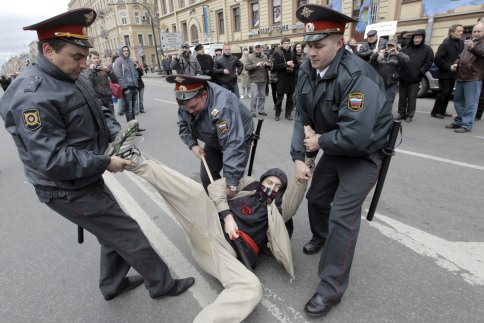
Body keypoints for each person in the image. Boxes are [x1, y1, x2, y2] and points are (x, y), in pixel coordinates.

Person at [0, 8, 194, 302]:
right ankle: (162, 285)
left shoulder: (70, 75)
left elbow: (99, 109)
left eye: (85, 55)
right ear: (48, 50)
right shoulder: (32, 95)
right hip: (64, 187)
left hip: (83, 177)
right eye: (77, 56)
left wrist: (115, 136)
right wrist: (106, 161)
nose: (83, 63)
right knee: (126, 231)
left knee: (111, 231)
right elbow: (51, 160)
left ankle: (112, 285)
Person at [292, 4, 393, 318]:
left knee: (343, 219)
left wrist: (319, 141)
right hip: (335, 148)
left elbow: (357, 136)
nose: (311, 52)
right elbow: (301, 115)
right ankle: (321, 237)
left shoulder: (357, 76)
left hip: (363, 154)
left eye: (319, 45)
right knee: (318, 198)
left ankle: (330, 289)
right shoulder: (308, 70)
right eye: (308, 45)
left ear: (340, 41)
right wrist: (300, 157)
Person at [166, 75, 254, 193]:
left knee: (233, 183)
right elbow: (183, 124)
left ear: (204, 95)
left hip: (238, 137)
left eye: (193, 107)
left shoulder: (223, 106)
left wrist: (231, 184)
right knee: (207, 176)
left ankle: (232, 207)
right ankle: (216, 204)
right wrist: (192, 144)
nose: (190, 111)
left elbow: (233, 145)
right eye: (186, 108)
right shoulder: (186, 101)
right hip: (213, 137)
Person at [445, 23, 484, 133]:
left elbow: (481, 54)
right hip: (462, 75)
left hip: (474, 77)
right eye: (474, 31)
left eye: (479, 31)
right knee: (458, 101)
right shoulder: (471, 41)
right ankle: (459, 121)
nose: (476, 33)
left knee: (470, 103)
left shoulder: (478, 44)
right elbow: (460, 56)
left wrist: (472, 47)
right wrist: (456, 63)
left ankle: (466, 125)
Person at [396, 29, 434, 122]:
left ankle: (410, 115)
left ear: (423, 38)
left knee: (412, 98)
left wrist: (419, 72)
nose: (417, 40)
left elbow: (428, 63)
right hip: (403, 76)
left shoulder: (427, 49)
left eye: (419, 38)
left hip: (415, 78)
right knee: (402, 98)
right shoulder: (406, 48)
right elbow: (400, 59)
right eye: (415, 38)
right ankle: (401, 114)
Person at [430, 25, 464, 119]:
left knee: (448, 93)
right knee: (443, 92)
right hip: (445, 72)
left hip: (454, 73)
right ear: (452, 32)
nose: (461, 32)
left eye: (462, 31)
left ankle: (442, 111)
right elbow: (437, 59)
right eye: (459, 31)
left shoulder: (461, 43)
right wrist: (449, 66)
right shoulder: (445, 43)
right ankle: (435, 111)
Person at [370, 40, 410, 107]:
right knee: (378, 102)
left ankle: (386, 116)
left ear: (396, 46)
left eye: (392, 46)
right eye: (389, 46)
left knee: (388, 103)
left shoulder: (398, 56)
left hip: (391, 84)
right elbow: (372, 60)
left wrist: (396, 52)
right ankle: (379, 116)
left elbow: (406, 60)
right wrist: (377, 53)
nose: (391, 47)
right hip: (379, 84)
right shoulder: (381, 55)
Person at [272, 37, 299, 121]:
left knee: (290, 99)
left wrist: (293, 65)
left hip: (291, 79)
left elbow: (297, 64)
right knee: (279, 99)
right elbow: (275, 66)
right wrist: (286, 64)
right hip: (282, 79)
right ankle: (277, 114)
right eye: (285, 43)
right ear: (282, 44)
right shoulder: (278, 53)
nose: (287, 45)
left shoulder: (292, 53)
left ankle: (288, 114)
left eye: (288, 43)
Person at [113, 45, 139, 123]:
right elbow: (119, 75)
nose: (126, 52)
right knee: (129, 110)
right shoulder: (118, 61)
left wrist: (136, 85)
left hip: (134, 87)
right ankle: (130, 128)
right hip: (127, 89)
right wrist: (125, 88)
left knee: (133, 109)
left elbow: (134, 73)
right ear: (121, 52)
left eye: (127, 50)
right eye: (124, 51)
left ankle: (135, 127)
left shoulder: (130, 61)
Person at [245, 42, 271, 117]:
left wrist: (268, 65)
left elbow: (270, 66)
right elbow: (246, 67)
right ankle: (253, 111)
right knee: (254, 96)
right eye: (256, 47)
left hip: (263, 79)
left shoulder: (265, 56)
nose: (258, 48)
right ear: (253, 49)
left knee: (262, 96)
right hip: (254, 79)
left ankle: (261, 110)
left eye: (259, 47)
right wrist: (256, 65)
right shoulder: (250, 57)